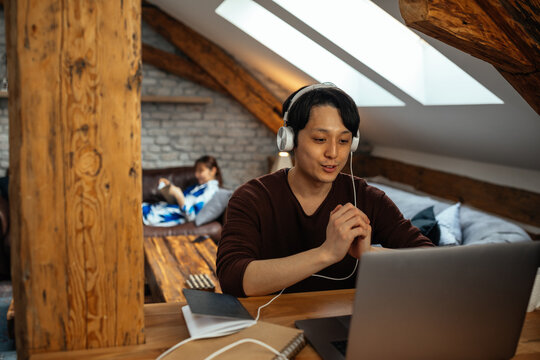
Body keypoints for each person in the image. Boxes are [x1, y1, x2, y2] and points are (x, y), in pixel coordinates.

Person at [216, 83, 433, 297]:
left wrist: (369, 254)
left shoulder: (367, 197)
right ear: (289, 140)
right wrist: (327, 253)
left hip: (350, 326)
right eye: (320, 139)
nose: (333, 153)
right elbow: (232, 278)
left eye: (344, 140)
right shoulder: (252, 197)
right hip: (273, 326)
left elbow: (432, 260)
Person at [142, 155, 222, 226]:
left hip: (165, 215)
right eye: (196, 171)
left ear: (213, 171)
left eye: (200, 171)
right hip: (161, 207)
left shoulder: (211, 191)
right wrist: (170, 188)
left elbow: (192, 216)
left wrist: (179, 195)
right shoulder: (197, 187)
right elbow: (179, 201)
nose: (196, 175)